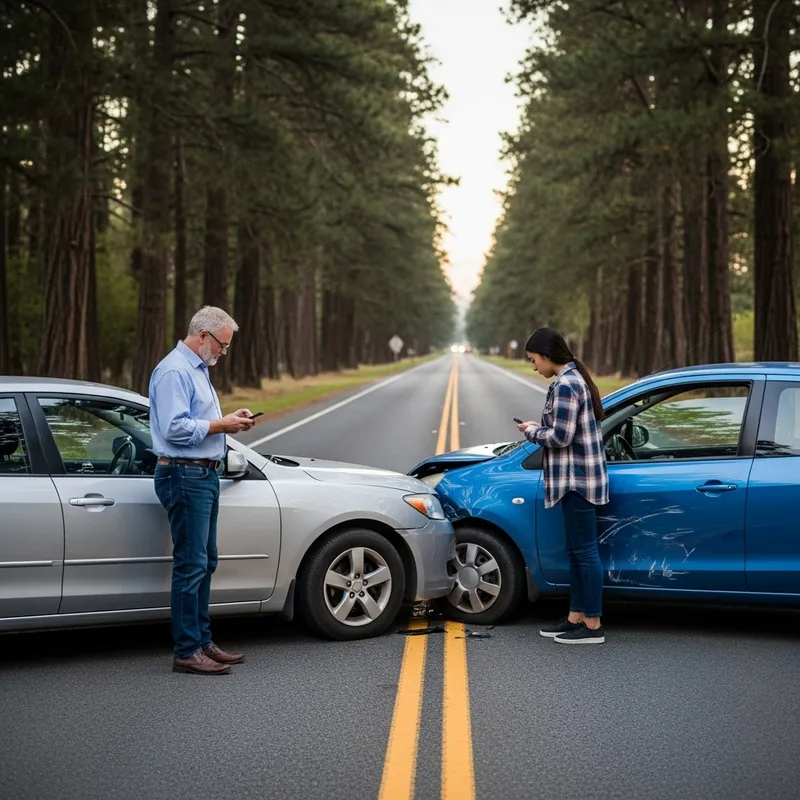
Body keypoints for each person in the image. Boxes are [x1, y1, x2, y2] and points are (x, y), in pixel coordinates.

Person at [150, 305, 257, 674]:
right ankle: (187, 650)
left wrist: (229, 421)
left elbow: (199, 421)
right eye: (222, 345)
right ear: (203, 336)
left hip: (202, 475)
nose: (223, 353)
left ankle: (202, 640)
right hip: (184, 475)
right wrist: (221, 425)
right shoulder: (174, 371)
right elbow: (175, 429)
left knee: (205, 561)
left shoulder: (195, 370)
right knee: (190, 564)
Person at [517, 327, 609, 644]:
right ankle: (576, 617)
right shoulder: (569, 380)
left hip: (578, 481)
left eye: (533, 360)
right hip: (575, 479)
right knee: (576, 552)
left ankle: (592, 625)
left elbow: (560, 437)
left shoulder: (568, 384)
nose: (533, 367)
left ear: (546, 356)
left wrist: (531, 431)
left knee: (585, 553)